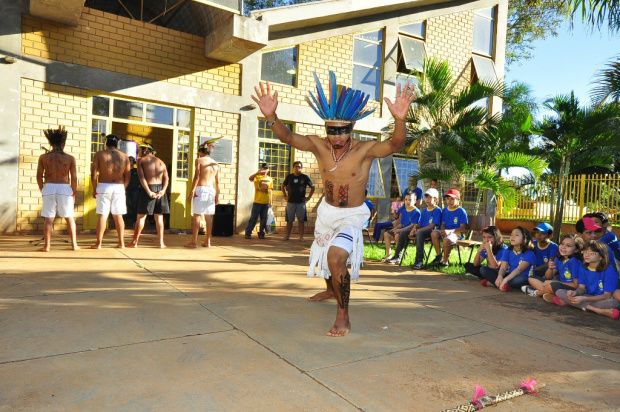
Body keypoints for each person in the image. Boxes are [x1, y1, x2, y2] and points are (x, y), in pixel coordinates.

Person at [251, 71, 416, 337]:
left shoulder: (365, 150)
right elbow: (288, 138)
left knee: (336, 257)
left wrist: (400, 119)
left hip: (352, 215)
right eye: (332, 131)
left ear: (352, 128)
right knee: (324, 252)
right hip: (327, 212)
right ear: (325, 128)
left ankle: (343, 316)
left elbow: (396, 143)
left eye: (343, 131)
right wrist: (271, 117)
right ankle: (331, 289)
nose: (337, 137)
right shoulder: (318, 145)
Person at [36, 126, 79, 251]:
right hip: (65, 188)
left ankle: (47, 246)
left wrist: (42, 189)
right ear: (64, 144)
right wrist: (73, 192)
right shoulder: (70, 158)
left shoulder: (43, 157)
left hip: (49, 187)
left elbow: (39, 176)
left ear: (49, 143)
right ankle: (74, 245)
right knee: (69, 217)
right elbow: (74, 178)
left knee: (49, 218)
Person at [552, 240, 619, 319]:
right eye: (585, 251)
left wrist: (584, 299)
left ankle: (570, 303)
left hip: (601, 299)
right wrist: (575, 292)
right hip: (587, 295)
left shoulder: (609, 270)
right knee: (559, 291)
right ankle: (597, 310)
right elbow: (581, 288)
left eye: (591, 253)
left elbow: (607, 296)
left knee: (613, 303)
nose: (586, 255)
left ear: (601, 256)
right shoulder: (583, 267)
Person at [90, 134, 131, 249]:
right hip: (119, 187)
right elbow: (127, 176)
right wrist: (124, 188)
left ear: (106, 143)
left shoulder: (99, 154)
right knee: (118, 215)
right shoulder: (125, 156)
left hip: (103, 186)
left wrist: (94, 189)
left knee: (102, 215)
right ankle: (121, 243)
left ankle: (98, 244)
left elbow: (93, 174)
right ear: (117, 144)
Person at [127, 143, 169, 248]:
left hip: (148, 188)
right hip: (160, 189)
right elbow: (166, 178)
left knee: (141, 217)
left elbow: (142, 178)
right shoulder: (161, 162)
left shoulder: (141, 161)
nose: (139, 153)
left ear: (146, 150)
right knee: (159, 217)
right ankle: (161, 243)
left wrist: (149, 191)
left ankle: (134, 242)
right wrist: (163, 190)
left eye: (140, 150)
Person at [521, 233, 584, 298]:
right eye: (562, 244)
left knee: (551, 286)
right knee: (531, 278)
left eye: (568, 246)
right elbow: (548, 278)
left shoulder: (574, 262)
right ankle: (549, 293)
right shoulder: (559, 258)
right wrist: (550, 269)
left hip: (570, 289)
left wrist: (555, 282)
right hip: (559, 284)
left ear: (577, 250)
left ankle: (536, 293)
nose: (563, 247)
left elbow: (576, 285)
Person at [184, 142, 220, 248]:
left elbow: (196, 176)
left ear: (201, 151)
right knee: (208, 216)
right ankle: (208, 241)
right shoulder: (216, 164)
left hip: (201, 189)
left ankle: (194, 242)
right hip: (210, 190)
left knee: (197, 215)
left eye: (199, 151)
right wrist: (217, 195)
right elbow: (218, 182)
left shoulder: (199, 160)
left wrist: (191, 192)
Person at [480, 226, 535, 292]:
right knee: (483, 269)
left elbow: (519, 270)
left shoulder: (529, 253)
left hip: (523, 277)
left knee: (519, 280)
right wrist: (500, 276)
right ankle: (504, 285)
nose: (512, 237)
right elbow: (503, 268)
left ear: (525, 238)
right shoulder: (508, 250)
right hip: (509, 275)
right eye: (511, 235)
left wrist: (505, 279)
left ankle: (495, 283)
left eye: (516, 235)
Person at [429, 188, 468, 268]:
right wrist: (443, 230)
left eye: (452, 199)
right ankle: (439, 256)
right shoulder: (445, 210)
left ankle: (445, 262)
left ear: (458, 200)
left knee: (447, 240)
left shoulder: (461, 211)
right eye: (448, 199)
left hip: (456, 234)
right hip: (446, 231)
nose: (449, 201)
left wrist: (450, 231)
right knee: (434, 233)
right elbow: (443, 223)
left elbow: (463, 229)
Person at [281, 161, 315, 241]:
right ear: (293, 168)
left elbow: (313, 187)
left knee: (301, 220)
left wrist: (309, 197)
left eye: (299, 167)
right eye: (296, 166)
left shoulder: (305, 177)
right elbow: (283, 186)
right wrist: (285, 195)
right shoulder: (289, 177)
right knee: (289, 220)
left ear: (301, 168)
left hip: (301, 203)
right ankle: (287, 236)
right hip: (291, 203)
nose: (297, 168)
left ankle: (301, 237)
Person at [410, 188, 442, 270]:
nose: (427, 200)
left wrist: (420, 230)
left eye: (429, 198)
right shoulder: (424, 210)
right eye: (426, 197)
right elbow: (419, 223)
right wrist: (415, 228)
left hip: (431, 231)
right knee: (409, 232)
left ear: (435, 199)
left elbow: (433, 225)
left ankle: (419, 261)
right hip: (423, 230)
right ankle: (397, 255)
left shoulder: (437, 210)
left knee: (419, 233)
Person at [384, 193, 420, 264]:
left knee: (397, 235)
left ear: (415, 201)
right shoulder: (404, 210)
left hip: (409, 231)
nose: (407, 201)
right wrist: (396, 228)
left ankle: (398, 256)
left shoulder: (416, 211)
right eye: (406, 200)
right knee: (386, 234)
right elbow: (401, 224)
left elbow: (412, 225)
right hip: (402, 229)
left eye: (410, 200)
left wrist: (399, 230)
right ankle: (389, 255)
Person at [244, 163, 273, 240]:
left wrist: (271, 201)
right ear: (261, 168)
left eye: (266, 168)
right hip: (257, 202)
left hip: (266, 202)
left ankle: (261, 233)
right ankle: (248, 232)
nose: (265, 170)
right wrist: (257, 173)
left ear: (268, 169)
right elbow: (250, 178)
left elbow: (270, 191)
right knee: (253, 218)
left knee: (264, 219)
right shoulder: (257, 177)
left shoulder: (270, 179)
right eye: (263, 168)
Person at [124, 155, 140, 227]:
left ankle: (134, 220)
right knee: (124, 205)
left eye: (132, 161)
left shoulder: (136, 171)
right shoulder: (124, 171)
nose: (130, 162)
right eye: (129, 160)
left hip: (135, 190)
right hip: (126, 189)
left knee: (135, 205)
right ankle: (124, 220)